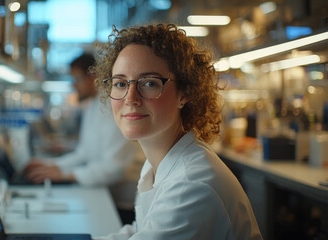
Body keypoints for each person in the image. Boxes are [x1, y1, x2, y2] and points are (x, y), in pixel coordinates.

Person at [91, 24, 262, 239]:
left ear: (184, 93)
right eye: (120, 83)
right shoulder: (158, 164)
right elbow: (141, 231)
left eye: (150, 83)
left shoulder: (191, 185)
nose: (130, 98)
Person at [24, 53, 140, 186]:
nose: (74, 86)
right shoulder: (93, 106)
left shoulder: (112, 107)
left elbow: (115, 167)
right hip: (104, 192)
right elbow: (84, 153)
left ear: (93, 77)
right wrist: (52, 164)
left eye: (77, 80)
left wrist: (66, 175)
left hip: (121, 200)